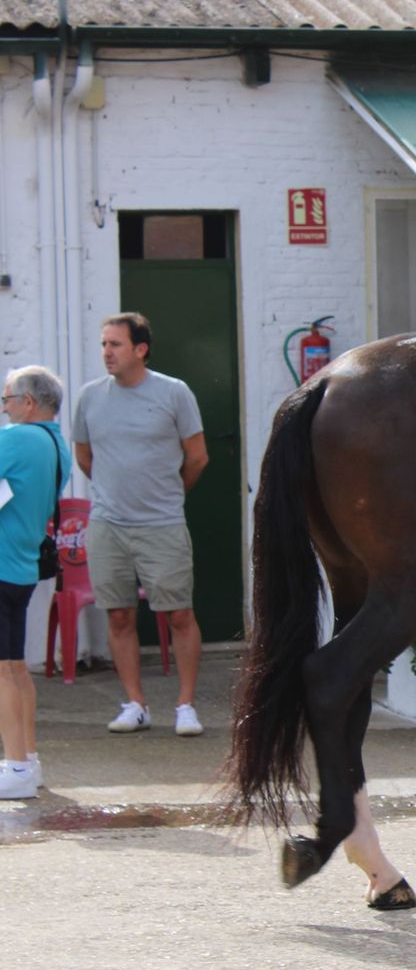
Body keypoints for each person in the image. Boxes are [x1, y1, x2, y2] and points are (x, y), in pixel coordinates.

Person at [73, 313, 209, 736]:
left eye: (115, 344)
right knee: (118, 616)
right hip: (108, 524)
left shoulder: (174, 393)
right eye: (103, 345)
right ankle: (135, 704)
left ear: (140, 349)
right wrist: (117, 492)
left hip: (162, 523)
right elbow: (84, 455)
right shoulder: (90, 397)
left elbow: (198, 457)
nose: (106, 353)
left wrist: (167, 495)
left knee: (180, 614)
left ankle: (185, 706)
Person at [0, 367, 71, 800]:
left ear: (28, 402)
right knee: (17, 667)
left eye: (6, 399)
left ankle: (16, 765)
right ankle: (28, 757)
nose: (4, 408)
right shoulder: (55, 443)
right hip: (23, 564)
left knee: (4, 670)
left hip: (2, 563)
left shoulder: (18, 438)